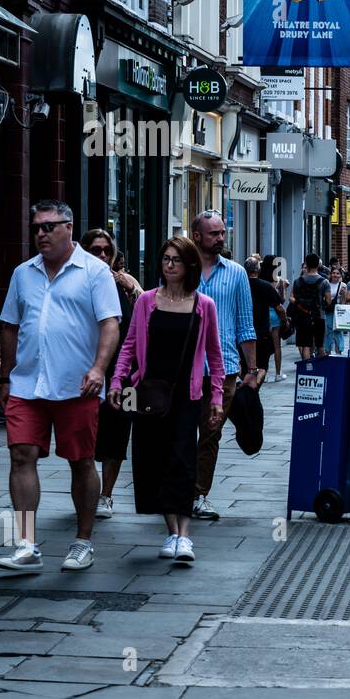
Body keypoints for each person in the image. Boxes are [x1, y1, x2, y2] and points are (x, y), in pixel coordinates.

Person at [0, 200, 121, 574]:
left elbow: (110, 324)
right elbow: (9, 326)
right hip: (27, 384)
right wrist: (5, 376)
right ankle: (27, 544)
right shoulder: (23, 273)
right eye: (36, 227)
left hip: (76, 385)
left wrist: (99, 369)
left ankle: (83, 542)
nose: (40, 234)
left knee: (80, 462)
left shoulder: (95, 272)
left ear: (68, 227)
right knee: (21, 456)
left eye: (48, 227)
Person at [112, 236, 225, 564]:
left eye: (176, 260)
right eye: (165, 259)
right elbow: (129, 345)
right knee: (154, 461)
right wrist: (118, 382)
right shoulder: (147, 301)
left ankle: (184, 536)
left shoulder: (204, 305)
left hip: (187, 396)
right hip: (147, 393)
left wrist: (216, 398)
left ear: (189, 264)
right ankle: (171, 531)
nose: (170, 265)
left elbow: (215, 358)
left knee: (182, 459)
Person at [190, 211, 259, 521]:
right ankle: (177, 490)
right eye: (213, 233)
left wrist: (252, 371)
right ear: (197, 237)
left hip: (225, 369)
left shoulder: (236, 274)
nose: (220, 238)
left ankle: (198, 494)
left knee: (210, 434)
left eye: (222, 232)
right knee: (179, 433)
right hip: (184, 369)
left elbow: (246, 324)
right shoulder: (181, 270)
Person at [80, 229, 143, 519]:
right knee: (86, 436)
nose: (102, 256)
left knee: (119, 433)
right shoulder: (78, 283)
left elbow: (147, 317)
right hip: (86, 373)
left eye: (107, 250)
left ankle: (106, 495)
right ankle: (87, 490)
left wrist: (132, 289)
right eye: (95, 250)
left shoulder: (125, 284)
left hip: (125, 376)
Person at [245, 258, 286, 378]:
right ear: (258, 270)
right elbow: (279, 307)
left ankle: (249, 384)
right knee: (263, 365)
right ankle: (255, 386)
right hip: (262, 329)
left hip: (244, 328)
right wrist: (284, 320)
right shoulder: (265, 286)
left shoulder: (241, 284)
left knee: (245, 364)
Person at [291, 254, 331, 360]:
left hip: (302, 317)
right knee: (320, 345)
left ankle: (307, 370)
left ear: (306, 265)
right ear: (318, 265)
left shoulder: (297, 281)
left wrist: (300, 304)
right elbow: (328, 301)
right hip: (319, 316)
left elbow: (292, 298)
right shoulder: (324, 282)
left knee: (306, 345)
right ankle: (322, 371)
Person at [260, 255, 290, 381]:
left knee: (263, 345)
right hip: (276, 314)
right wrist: (284, 288)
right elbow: (282, 300)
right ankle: (278, 374)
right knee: (277, 346)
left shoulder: (260, 280)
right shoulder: (279, 281)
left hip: (263, 314)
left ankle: (263, 373)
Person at [325, 265, 349, 355]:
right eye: (333, 273)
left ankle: (339, 351)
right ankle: (327, 350)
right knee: (328, 331)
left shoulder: (343, 285)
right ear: (330, 274)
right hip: (328, 310)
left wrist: (343, 294)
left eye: (337, 273)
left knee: (338, 331)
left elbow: (344, 302)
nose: (335, 275)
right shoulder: (326, 283)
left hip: (338, 311)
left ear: (340, 275)